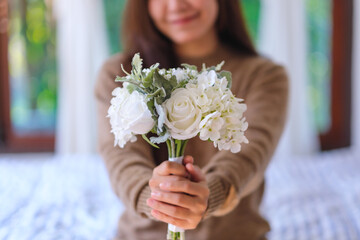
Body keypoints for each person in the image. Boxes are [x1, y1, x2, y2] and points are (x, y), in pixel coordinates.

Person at [95, 0, 288, 239]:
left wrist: (209, 195)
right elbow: (122, 161)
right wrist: (160, 200)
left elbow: (250, 156)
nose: (176, 5)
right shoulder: (120, 74)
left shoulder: (265, 76)